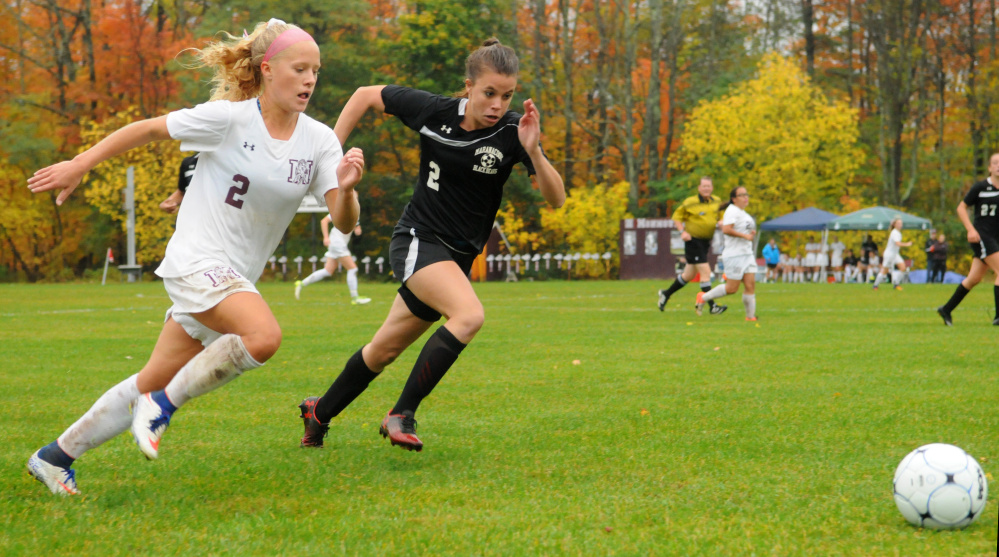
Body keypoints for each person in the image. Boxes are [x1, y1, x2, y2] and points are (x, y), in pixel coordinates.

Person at [25, 19, 365, 495]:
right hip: (197, 261)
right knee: (263, 336)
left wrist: (347, 191)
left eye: (316, 71)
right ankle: (163, 405)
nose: (310, 79)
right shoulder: (228, 118)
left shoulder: (320, 141)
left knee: (149, 378)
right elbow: (146, 130)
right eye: (299, 68)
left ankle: (54, 457)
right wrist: (79, 164)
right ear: (267, 70)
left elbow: (344, 221)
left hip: (232, 280)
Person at [296, 38, 564, 452]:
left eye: (506, 95)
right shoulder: (434, 111)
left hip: (454, 259)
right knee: (469, 315)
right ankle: (401, 413)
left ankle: (319, 413)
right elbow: (366, 95)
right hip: (418, 240)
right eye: (488, 93)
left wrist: (534, 152)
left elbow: (557, 199)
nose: (497, 104)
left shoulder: (514, 132)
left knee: (382, 351)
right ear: (469, 86)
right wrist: (327, 153)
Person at [937, 152, 999, 326]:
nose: (998, 166)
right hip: (982, 236)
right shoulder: (980, 187)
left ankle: (946, 309)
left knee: (974, 279)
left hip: (995, 238)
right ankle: (998, 317)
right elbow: (961, 208)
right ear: (989, 167)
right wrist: (970, 229)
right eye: (995, 163)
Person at [657, 176, 726, 315]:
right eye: (704, 186)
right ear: (699, 188)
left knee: (688, 275)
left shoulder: (717, 201)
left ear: (712, 188)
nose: (706, 189)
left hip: (706, 242)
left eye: (708, 186)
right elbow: (676, 217)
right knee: (706, 272)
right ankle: (712, 306)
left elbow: (722, 216)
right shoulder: (690, 202)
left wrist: (721, 222)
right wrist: (682, 231)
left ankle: (666, 293)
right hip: (693, 242)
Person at [696, 186, 758, 321]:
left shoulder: (744, 213)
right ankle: (703, 297)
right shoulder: (732, 211)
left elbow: (743, 230)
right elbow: (726, 229)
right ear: (734, 199)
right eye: (741, 195)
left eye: (746, 194)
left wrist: (750, 234)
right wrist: (744, 236)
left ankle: (750, 317)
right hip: (734, 255)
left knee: (750, 284)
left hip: (747, 254)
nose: (745, 197)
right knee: (732, 289)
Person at [295, 214, 371, 304]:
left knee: (328, 271)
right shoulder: (341, 209)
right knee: (352, 268)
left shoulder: (355, 211)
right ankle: (355, 298)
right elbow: (324, 221)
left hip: (336, 243)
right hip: (337, 243)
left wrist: (357, 229)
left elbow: (355, 226)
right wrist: (326, 237)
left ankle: (301, 283)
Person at [873, 218, 912, 290]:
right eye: (898, 223)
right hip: (889, 254)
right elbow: (897, 243)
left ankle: (896, 284)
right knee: (884, 271)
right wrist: (907, 244)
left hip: (895, 254)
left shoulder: (898, 233)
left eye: (901, 223)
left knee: (903, 267)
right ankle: (875, 285)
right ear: (895, 224)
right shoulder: (894, 232)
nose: (900, 225)